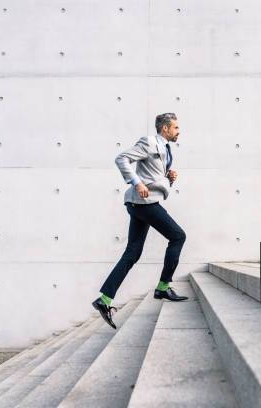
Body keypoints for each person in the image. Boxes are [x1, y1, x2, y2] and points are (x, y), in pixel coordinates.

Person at [92, 113, 188, 329]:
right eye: (175, 128)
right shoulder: (148, 142)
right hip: (144, 203)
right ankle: (163, 287)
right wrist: (137, 183)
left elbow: (152, 174)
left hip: (141, 204)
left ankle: (104, 300)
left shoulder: (165, 148)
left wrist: (168, 177)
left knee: (133, 252)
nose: (178, 131)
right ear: (165, 129)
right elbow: (121, 159)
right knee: (178, 236)